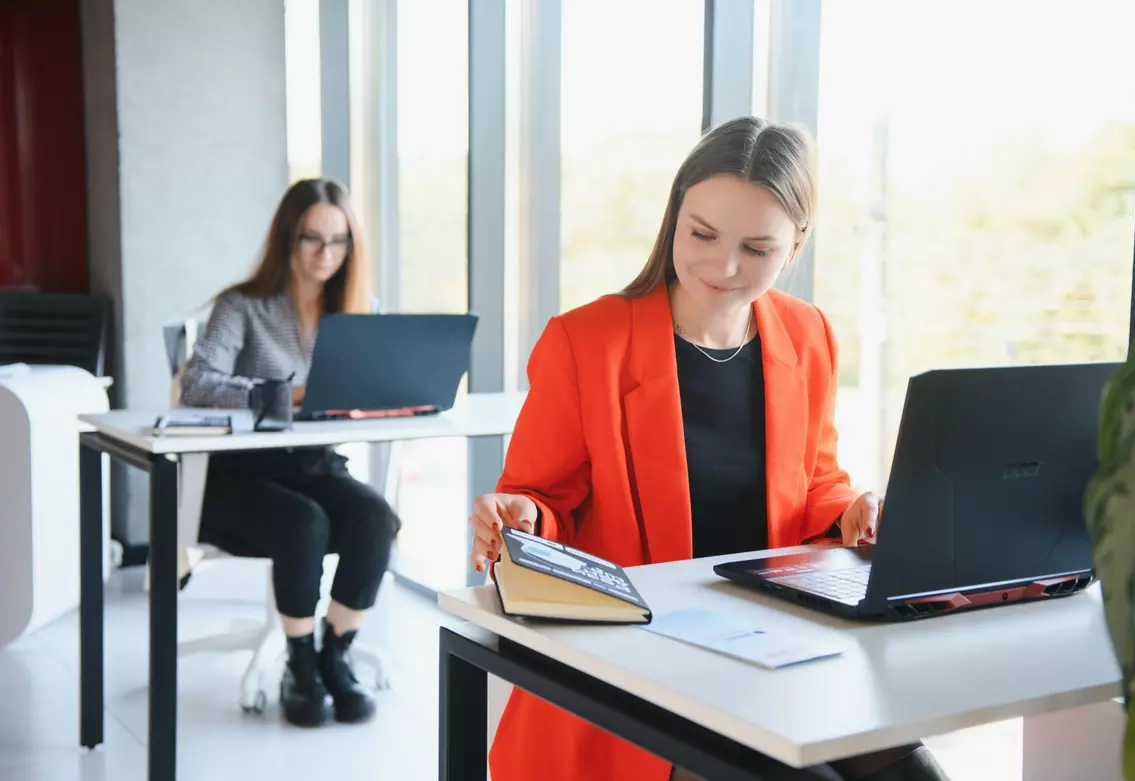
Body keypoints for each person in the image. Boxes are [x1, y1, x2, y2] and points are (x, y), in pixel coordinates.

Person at [467, 118, 950, 781]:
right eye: (701, 234)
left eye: (756, 248)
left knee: (914, 774)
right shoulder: (587, 341)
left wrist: (854, 508)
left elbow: (814, 483)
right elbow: (543, 502)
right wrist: (521, 513)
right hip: (642, 657)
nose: (723, 267)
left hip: (774, 641)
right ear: (674, 218)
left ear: (796, 245)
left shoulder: (807, 335)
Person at [180, 178, 400, 728]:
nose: (326, 254)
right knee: (304, 524)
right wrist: (284, 393)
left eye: (339, 241)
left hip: (312, 464)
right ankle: (299, 667)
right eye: (312, 239)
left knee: (375, 519)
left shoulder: (356, 309)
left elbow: (369, 385)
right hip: (235, 477)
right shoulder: (243, 306)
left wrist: (389, 396)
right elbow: (197, 383)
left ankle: (335, 656)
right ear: (287, 238)